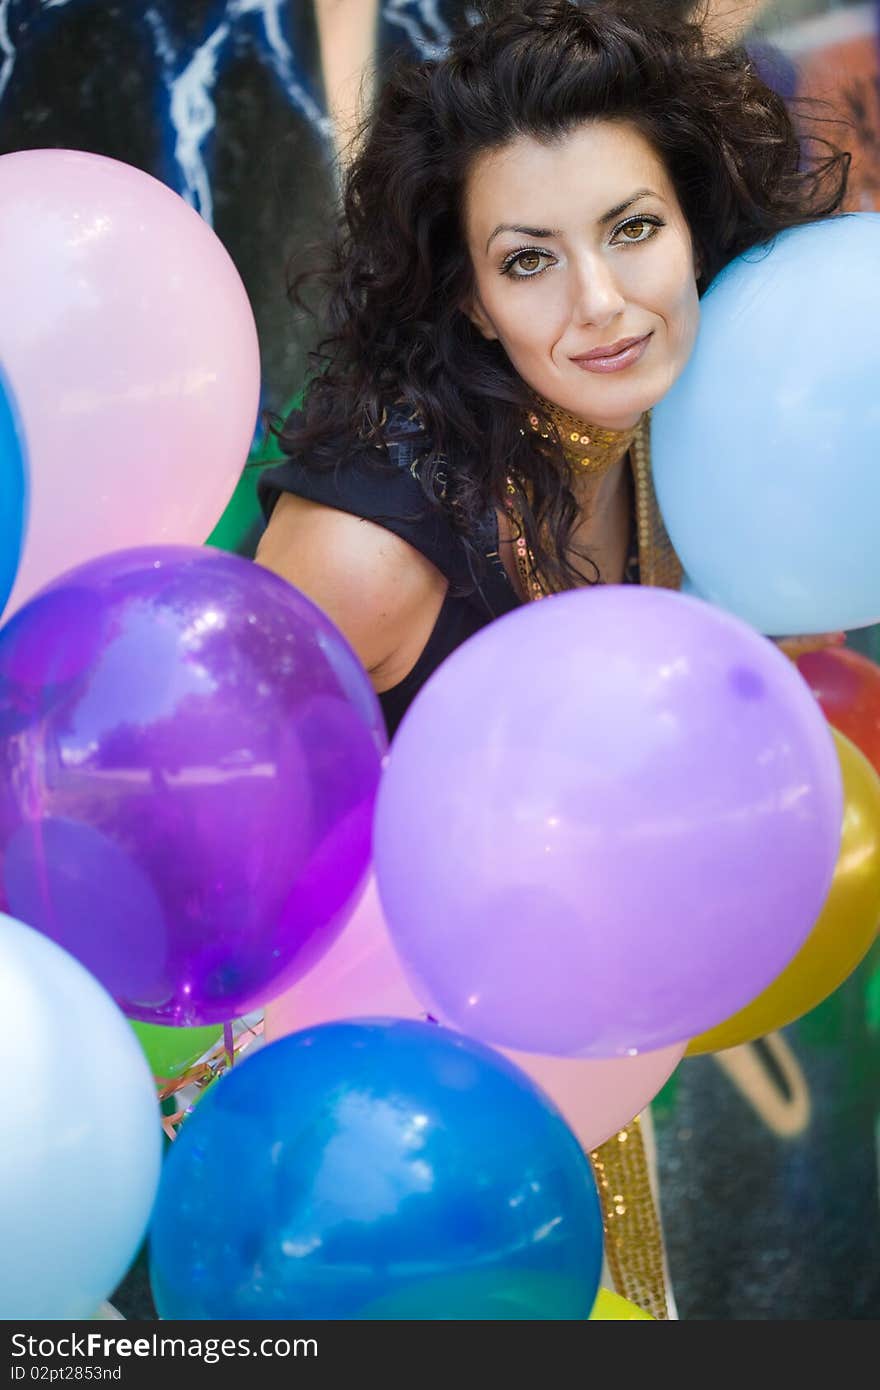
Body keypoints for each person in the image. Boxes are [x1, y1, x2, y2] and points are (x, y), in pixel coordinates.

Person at [255, 0, 849, 1316]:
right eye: (529, 261)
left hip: (572, 1094)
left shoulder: (695, 445)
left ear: (695, 225)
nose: (601, 304)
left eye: (634, 229)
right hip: (358, 1162)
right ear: (468, 296)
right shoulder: (372, 551)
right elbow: (205, 866)